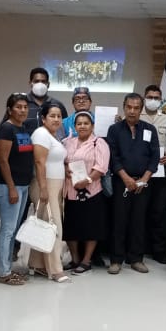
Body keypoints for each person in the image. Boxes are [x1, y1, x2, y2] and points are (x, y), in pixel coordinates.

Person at [107, 94, 160, 274]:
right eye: (129, 107)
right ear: (124, 107)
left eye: (136, 108)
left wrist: (144, 179)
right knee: (119, 221)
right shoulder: (114, 130)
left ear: (141, 109)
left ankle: (136, 259)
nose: (132, 111)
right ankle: (116, 260)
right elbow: (113, 157)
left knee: (139, 221)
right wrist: (126, 178)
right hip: (121, 181)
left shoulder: (150, 129)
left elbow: (155, 157)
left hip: (143, 183)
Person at [63, 111, 110, 273]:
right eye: (79, 124)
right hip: (70, 191)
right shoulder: (68, 142)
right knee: (71, 228)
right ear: (74, 126)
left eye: (86, 123)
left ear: (92, 126)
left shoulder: (99, 143)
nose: (82, 126)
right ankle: (75, 259)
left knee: (91, 227)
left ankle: (86, 260)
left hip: (92, 192)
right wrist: (65, 169)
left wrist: (88, 180)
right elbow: (63, 161)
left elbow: (101, 167)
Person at [0, 93, 34, 284]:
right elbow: (3, 160)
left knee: (14, 229)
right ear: (10, 110)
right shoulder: (6, 128)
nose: (22, 110)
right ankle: (3, 273)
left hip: (23, 185)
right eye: (18, 107)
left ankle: (7, 268)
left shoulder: (22, 128)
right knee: (8, 230)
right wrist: (11, 187)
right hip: (9, 186)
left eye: (25, 107)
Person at [29, 104, 68, 282]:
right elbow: (39, 162)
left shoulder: (53, 136)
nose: (56, 119)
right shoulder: (41, 134)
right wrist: (43, 188)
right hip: (45, 185)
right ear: (43, 118)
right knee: (54, 226)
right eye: (52, 116)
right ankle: (55, 270)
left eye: (59, 116)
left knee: (44, 225)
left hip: (54, 185)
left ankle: (37, 265)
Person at [140, 84, 166, 265]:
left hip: (161, 173)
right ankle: (139, 248)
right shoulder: (137, 116)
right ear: (144, 98)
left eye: (156, 98)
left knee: (159, 212)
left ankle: (159, 250)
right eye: (149, 97)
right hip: (141, 172)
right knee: (140, 212)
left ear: (161, 100)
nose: (152, 100)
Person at [27, 67, 68, 138]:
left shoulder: (57, 105)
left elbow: (65, 129)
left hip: (51, 144)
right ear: (30, 83)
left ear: (48, 84)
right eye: (36, 81)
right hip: (26, 144)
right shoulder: (22, 104)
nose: (40, 84)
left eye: (43, 81)